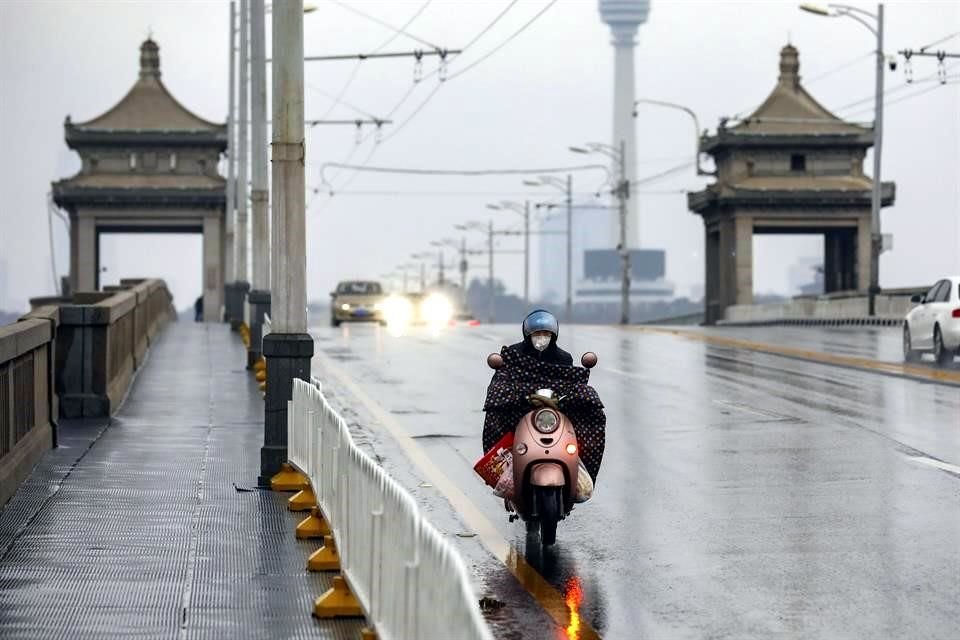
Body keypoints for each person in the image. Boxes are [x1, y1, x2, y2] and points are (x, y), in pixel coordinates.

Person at [482, 309, 606, 481]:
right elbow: (501, 380)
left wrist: (566, 398)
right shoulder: (513, 354)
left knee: (591, 409)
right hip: (519, 408)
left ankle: (580, 476)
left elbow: (571, 382)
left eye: (546, 333)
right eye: (537, 333)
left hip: (557, 409)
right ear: (528, 335)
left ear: (553, 335)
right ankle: (500, 474)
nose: (541, 337)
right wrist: (521, 396)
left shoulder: (563, 357)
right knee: (495, 415)